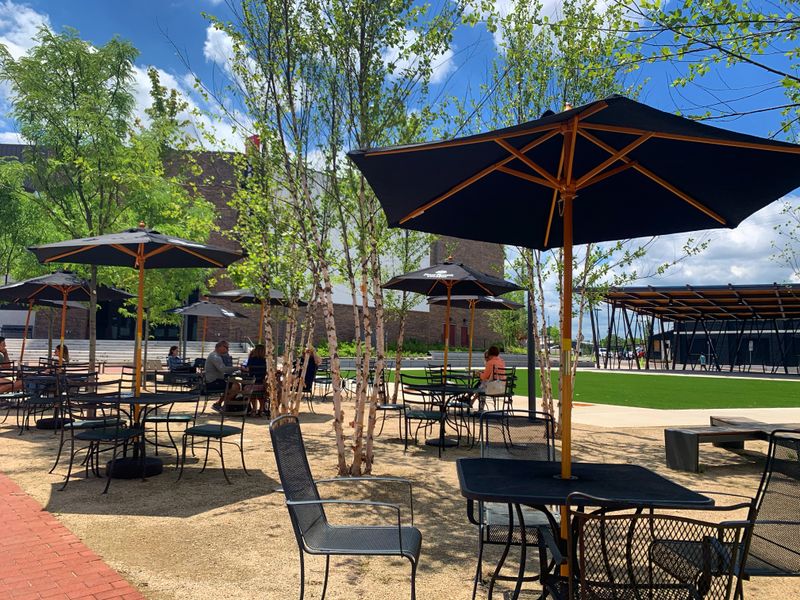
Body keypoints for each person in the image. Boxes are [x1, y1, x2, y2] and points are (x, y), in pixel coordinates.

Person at [205, 340, 240, 410]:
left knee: (234, 384)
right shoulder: (214, 356)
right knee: (236, 386)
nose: (228, 350)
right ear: (220, 347)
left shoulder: (217, 356)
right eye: (226, 347)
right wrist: (238, 368)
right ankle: (225, 405)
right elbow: (223, 369)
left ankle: (219, 404)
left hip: (217, 380)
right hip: (213, 382)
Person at [241, 344, 267, 416]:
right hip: (262, 384)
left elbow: (247, 370)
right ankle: (261, 409)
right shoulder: (265, 361)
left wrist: (242, 368)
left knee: (248, 390)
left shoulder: (251, 360)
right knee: (260, 395)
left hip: (252, 384)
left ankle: (254, 409)